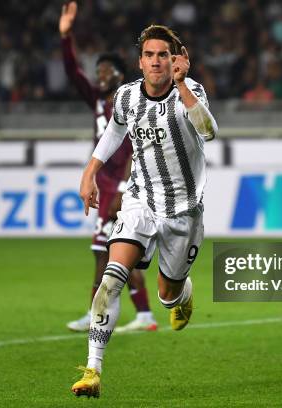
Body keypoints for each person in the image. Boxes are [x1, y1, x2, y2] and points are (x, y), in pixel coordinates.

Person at [71, 24, 218, 398]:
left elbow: (209, 131)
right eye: (149, 55)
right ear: (140, 62)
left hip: (183, 211)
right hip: (140, 200)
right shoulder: (126, 97)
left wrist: (183, 86)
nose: (156, 62)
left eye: (163, 56)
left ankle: (181, 295)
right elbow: (114, 133)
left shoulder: (190, 92)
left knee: (167, 292)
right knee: (111, 276)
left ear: (174, 61)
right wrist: (91, 172)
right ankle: (93, 370)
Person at [59, 1, 157, 333]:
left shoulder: (130, 100)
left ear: (119, 74)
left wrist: (125, 187)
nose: (100, 76)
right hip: (105, 181)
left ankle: (96, 314)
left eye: (106, 72)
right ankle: (143, 314)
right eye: (98, 71)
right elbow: (73, 74)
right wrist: (65, 37)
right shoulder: (99, 101)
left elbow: (136, 146)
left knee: (104, 253)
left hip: (121, 184)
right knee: (115, 252)